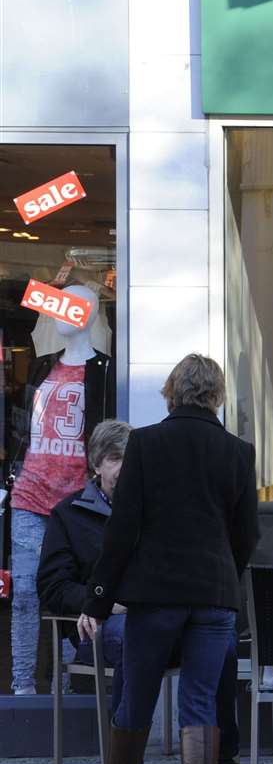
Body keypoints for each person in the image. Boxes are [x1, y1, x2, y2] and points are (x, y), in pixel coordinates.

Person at [81, 355, 258, 764]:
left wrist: (100, 593)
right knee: (200, 702)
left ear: (171, 393)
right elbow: (247, 533)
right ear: (216, 395)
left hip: (154, 594)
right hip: (213, 594)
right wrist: (224, 571)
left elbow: (123, 527)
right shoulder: (238, 451)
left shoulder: (147, 444)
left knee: (137, 694)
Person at [39, 420, 254, 764]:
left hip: (162, 619)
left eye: (129, 457)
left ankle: (221, 760)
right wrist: (102, 602)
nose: (123, 466)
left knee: (222, 646)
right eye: (114, 457)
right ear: (96, 465)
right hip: (100, 626)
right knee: (129, 639)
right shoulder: (69, 515)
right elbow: (53, 587)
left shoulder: (154, 508)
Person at [8, 284, 116, 695]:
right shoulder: (40, 367)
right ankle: (22, 689)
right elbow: (22, 424)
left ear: (90, 314)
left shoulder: (106, 371)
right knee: (23, 595)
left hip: (76, 503)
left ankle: (68, 688)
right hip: (30, 494)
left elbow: (106, 435)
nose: (61, 313)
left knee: (71, 595)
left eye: (74, 305)